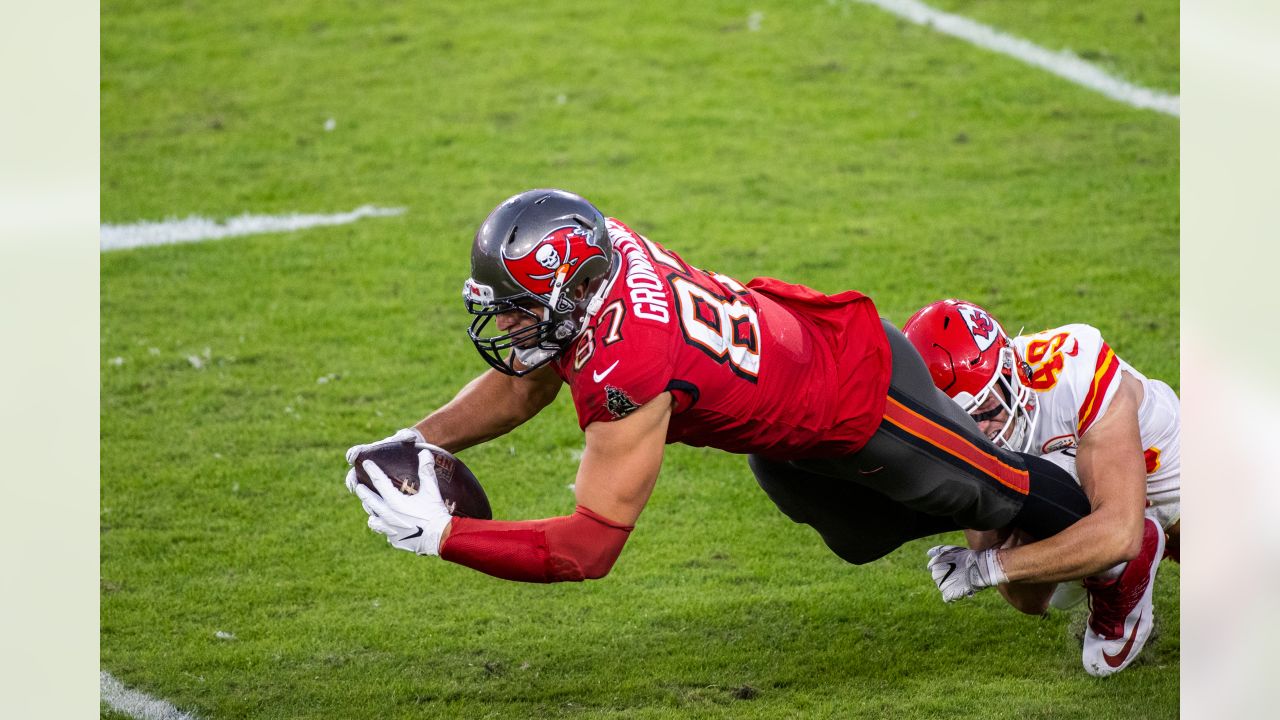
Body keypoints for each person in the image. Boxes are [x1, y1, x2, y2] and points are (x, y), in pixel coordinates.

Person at [343, 188, 1092, 603]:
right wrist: (419, 440)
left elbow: (589, 546)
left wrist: (446, 536)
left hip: (859, 392)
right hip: (788, 422)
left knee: (1000, 492)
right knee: (859, 538)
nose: (506, 323)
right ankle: (1017, 502)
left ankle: (1125, 545)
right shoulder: (603, 254)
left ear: (575, 290)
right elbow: (527, 382)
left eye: (517, 306)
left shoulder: (625, 366)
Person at [902, 298, 1181, 676]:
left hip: (1169, 473)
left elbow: (1120, 534)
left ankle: (1117, 577)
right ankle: (1106, 574)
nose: (981, 429)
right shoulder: (960, 437)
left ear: (1009, 370)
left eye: (985, 408)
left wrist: (985, 568)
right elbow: (1027, 600)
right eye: (963, 421)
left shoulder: (1076, 375)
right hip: (1084, 480)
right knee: (1034, 590)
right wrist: (1002, 563)